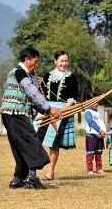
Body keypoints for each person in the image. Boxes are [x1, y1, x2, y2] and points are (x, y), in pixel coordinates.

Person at [0, 47, 62, 189]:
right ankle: (32, 176)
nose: (36, 64)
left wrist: (45, 110)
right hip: (16, 114)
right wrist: (48, 108)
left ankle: (18, 179)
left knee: (20, 146)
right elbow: (32, 92)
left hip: (10, 114)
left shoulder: (19, 73)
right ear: (27, 59)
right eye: (35, 60)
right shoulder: (20, 72)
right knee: (31, 141)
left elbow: (30, 98)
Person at [35, 51, 78, 181]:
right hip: (46, 109)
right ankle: (32, 168)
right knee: (34, 138)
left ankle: (50, 171)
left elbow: (72, 97)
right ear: (55, 61)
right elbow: (39, 93)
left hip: (62, 112)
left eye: (66, 61)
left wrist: (64, 109)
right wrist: (45, 107)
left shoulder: (71, 77)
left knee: (53, 143)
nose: (64, 63)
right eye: (61, 61)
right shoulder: (48, 75)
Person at [84, 92, 107, 175]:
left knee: (99, 153)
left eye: (97, 102)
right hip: (91, 136)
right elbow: (91, 122)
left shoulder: (97, 112)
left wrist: (103, 131)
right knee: (90, 154)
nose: (96, 104)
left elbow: (100, 122)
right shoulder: (87, 112)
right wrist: (99, 130)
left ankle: (99, 168)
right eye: (94, 102)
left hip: (99, 136)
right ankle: (90, 170)